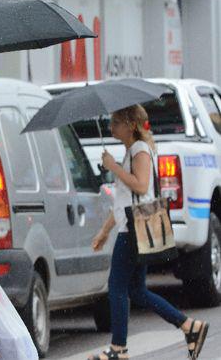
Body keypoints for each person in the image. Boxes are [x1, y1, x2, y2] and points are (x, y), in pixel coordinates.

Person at [89, 105, 208, 360]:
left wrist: (113, 167)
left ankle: (119, 348)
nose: (111, 128)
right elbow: (123, 201)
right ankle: (189, 326)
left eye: (116, 123)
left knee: (117, 287)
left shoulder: (139, 151)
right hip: (128, 227)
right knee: (136, 290)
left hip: (133, 231)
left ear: (131, 125)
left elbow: (141, 187)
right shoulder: (131, 151)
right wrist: (103, 232)